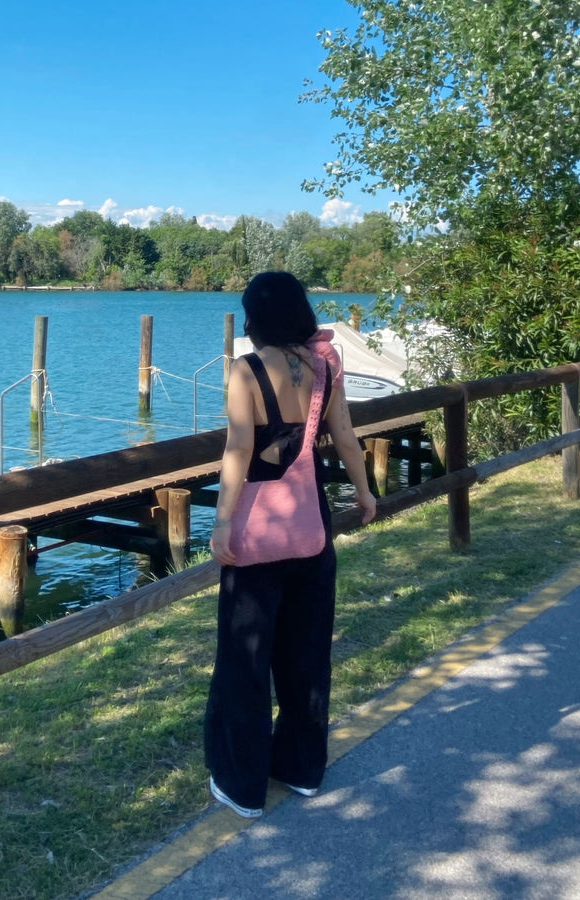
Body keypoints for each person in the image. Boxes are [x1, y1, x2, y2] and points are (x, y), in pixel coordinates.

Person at [205, 270, 377, 818]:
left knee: (245, 659)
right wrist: (366, 493)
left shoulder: (245, 371)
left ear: (256, 317)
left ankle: (242, 785)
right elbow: (345, 435)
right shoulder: (324, 363)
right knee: (307, 653)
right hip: (310, 529)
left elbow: (237, 451)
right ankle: (302, 769)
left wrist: (221, 523)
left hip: (256, 535)